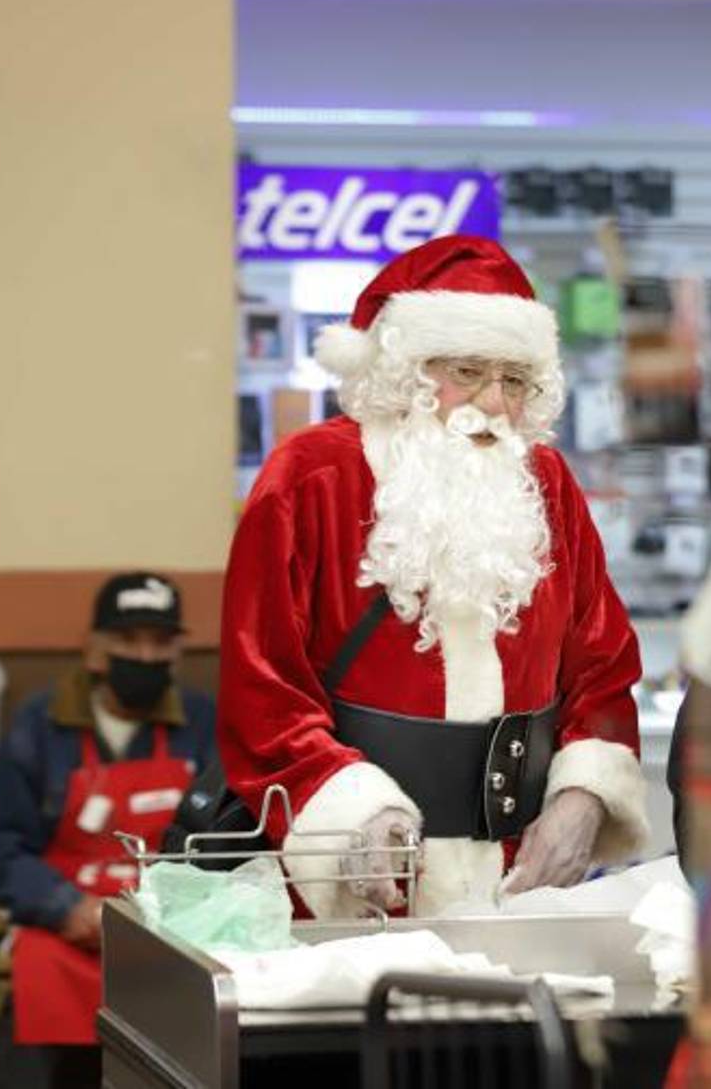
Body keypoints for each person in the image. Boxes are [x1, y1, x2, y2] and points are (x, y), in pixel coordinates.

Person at [218, 235, 648, 920]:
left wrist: (584, 797)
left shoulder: (547, 482)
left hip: (519, 881)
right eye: (468, 371)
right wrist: (349, 810)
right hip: (361, 877)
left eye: (515, 380)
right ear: (405, 371)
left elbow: (603, 664)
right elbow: (262, 684)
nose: (494, 402)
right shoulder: (313, 476)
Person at [0, 573, 217, 1089]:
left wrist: (170, 915)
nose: (145, 656)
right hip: (66, 933)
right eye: (128, 640)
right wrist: (63, 907)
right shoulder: (42, 724)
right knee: (31, 1001)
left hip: (168, 933)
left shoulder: (203, 724)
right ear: (94, 650)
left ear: (177, 652)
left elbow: (223, 843)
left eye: (160, 642)